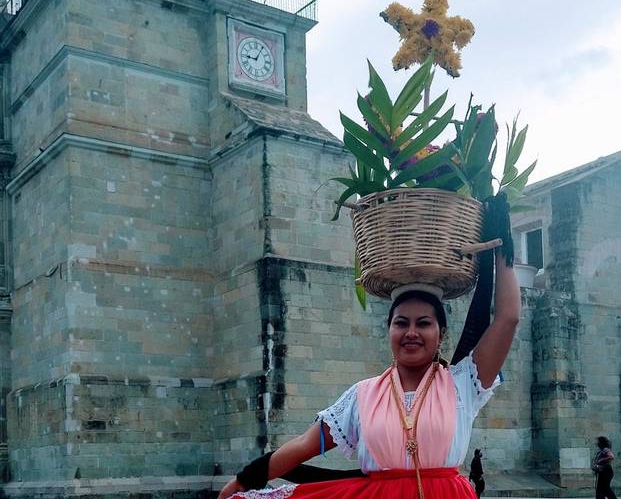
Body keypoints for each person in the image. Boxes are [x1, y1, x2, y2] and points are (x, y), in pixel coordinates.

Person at [217, 195, 521, 499]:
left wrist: (501, 243)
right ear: (389, 330)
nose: (411, 332)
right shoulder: (361, 396)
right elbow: (303, 446)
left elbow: (508, 318)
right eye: (401, 323)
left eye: (423, 323)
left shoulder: (462, 384)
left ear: (440, 334)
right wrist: (244, 480)